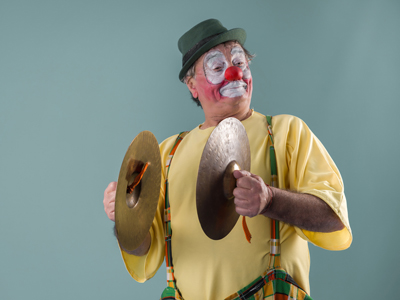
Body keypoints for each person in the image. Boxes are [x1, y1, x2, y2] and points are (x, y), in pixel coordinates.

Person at [103, 19, 352, 300]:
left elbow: (334, 218)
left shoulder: (286, 133)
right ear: (192, 85)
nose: (234, 73)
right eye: (217, 67)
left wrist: (270, 199)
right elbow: (144, 249)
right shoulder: (166, 153)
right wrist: (125, 217)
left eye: (239, 62)